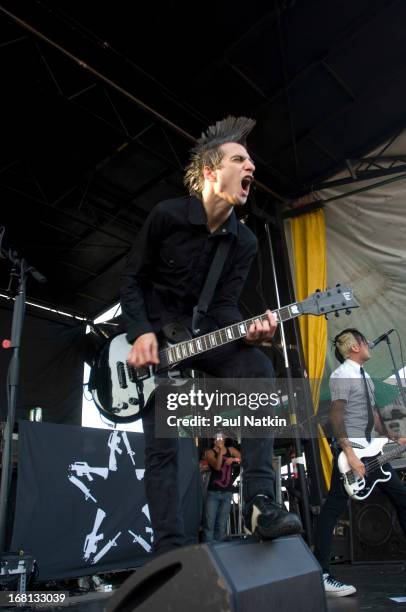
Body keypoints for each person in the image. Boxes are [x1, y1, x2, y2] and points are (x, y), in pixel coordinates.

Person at [121, 116, 302, 555]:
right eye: (239, 159)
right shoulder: (167, 216)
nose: (251, 169)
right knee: (164, 447)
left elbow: (223, 308)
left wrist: (251, 333)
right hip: (157, 347)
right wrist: (141, 332)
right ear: (209, 171)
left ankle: (261, 501)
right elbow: (132, 280)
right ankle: (170, 553)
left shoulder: (244, 243)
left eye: (251, 163)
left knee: (258, 369)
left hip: (204, 338)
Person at [314, 328, 406, 597]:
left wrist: (391, 435)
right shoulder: (342, 374)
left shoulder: (363, 375)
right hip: (352, 452)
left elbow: (372, 415)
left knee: (402, 500)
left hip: (371, 451)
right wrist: (351, 456)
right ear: (355, 346)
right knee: (333, 508)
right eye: (365, 341)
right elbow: (336, 416)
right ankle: (322, 573)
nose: (369, 345)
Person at [204, 433, 240, 541]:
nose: (222, 438)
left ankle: (219, 550)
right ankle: (209, 551)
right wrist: (220, 451)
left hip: (227, 493)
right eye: (219, 437)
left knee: (221, 525)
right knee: (209, 525)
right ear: (214, 440)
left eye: (223, 437)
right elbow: (218, 467)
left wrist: (233, 460)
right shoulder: (209, 452)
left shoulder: (231, 450)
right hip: (213, 493)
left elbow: (243, 459)